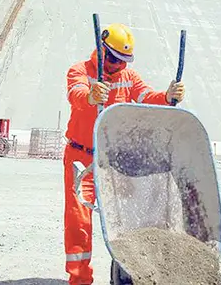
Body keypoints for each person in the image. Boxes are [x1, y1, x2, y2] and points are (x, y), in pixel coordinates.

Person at [63, 22, 186, 285]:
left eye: (124, 61)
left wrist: (167, 96)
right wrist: (90, 96)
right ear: (102, 50)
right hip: (81, 157)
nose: (120, 66)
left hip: (115, 160)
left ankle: (126, 271)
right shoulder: (80, 71)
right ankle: (80, 279)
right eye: (116, 60)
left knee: (126, 217)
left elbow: (145, 96)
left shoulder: (128, 77)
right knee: (79, 220)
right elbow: (76, 93)